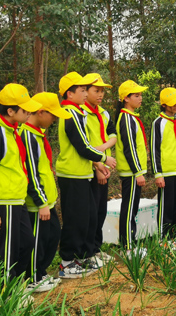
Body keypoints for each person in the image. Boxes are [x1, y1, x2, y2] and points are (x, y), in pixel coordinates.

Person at [56, 72, 116, 278]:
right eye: (82, 90)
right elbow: (83, 146)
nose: (85, 93)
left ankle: (81, 257)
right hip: (72, 174)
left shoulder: (77, 112)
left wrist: (97, 163)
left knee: (87, 216)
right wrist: (103, 159)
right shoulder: (70, 114)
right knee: (74, 219)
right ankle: (66, 262)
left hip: (82, 173)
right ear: (69, 94)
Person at [0, 84, 42, 282]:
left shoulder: (14, 131)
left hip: (18, 199)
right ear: (10, 111)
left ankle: (15, 285)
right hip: (6, 201)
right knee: (8, 249)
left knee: (27, 242)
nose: (29, 113)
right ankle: (5, 294)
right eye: (25, 110)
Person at [21, 92, 71, 292]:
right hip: (37, 203)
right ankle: (32, 277)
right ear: (40, 112)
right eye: (53, 115)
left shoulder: (37, 134)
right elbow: (31, 173)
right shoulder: (27, 136)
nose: (54, 119)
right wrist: (41, 202)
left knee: (51, 236)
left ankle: (40, 272)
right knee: (38, 241)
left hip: (46, 200)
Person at [82, 74, 117, 262]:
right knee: (91, 212)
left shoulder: (103, 113)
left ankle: (97, 248)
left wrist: (101, 149)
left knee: (101, 210)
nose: (101, 94)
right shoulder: (82, 114)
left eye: (102, 91)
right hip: (91, 168)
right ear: (85, 92)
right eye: (97, 90)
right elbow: (83, 144)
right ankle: (88, 251)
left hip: (104, 163)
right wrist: (98, 166)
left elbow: (113, 135)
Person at [150, 87, 176, 240]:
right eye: (172, 103)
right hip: (166, 173)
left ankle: (175, 237)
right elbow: (154, 150)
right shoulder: (158, 123)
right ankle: (164, 238)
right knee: (166, 208)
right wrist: (158, 174)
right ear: (164, 105)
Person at [115, 80, 149, 256]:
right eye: (136, 95)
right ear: (126, 98)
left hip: (134, 172)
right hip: (131, 172)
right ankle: (127, 247)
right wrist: (138, 172)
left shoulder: (131, 117)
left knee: (132, 208)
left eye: (140, 95)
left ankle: (130, 243)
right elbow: (129, 148)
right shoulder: (127, 118)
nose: (140, 98)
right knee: (129, 209)